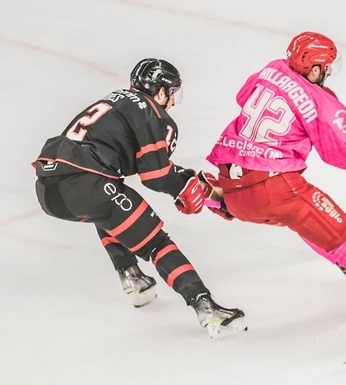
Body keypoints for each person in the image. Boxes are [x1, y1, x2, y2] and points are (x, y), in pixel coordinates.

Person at [204, 31, 346, 319]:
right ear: (315, 68)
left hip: (234, 187)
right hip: (276, 189)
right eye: (326, 67)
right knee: (344, 241)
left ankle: (213, 197)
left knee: (298, 218)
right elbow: (342, 154)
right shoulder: (323, 105)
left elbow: (243, 96)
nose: (328, 72)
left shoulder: (273, 68)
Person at [33, 58, 247, 339]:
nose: (172, 100)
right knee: (155, 241)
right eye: (172, 92)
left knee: (108, 210)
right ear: (160, 91)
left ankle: (133, 278)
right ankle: (207, 309)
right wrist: (184, 189)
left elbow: (131, 161)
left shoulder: (117, 101)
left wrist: (187, 178)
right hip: (86, 184)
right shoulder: (152, 113)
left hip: (48, 188)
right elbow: (155, 174)